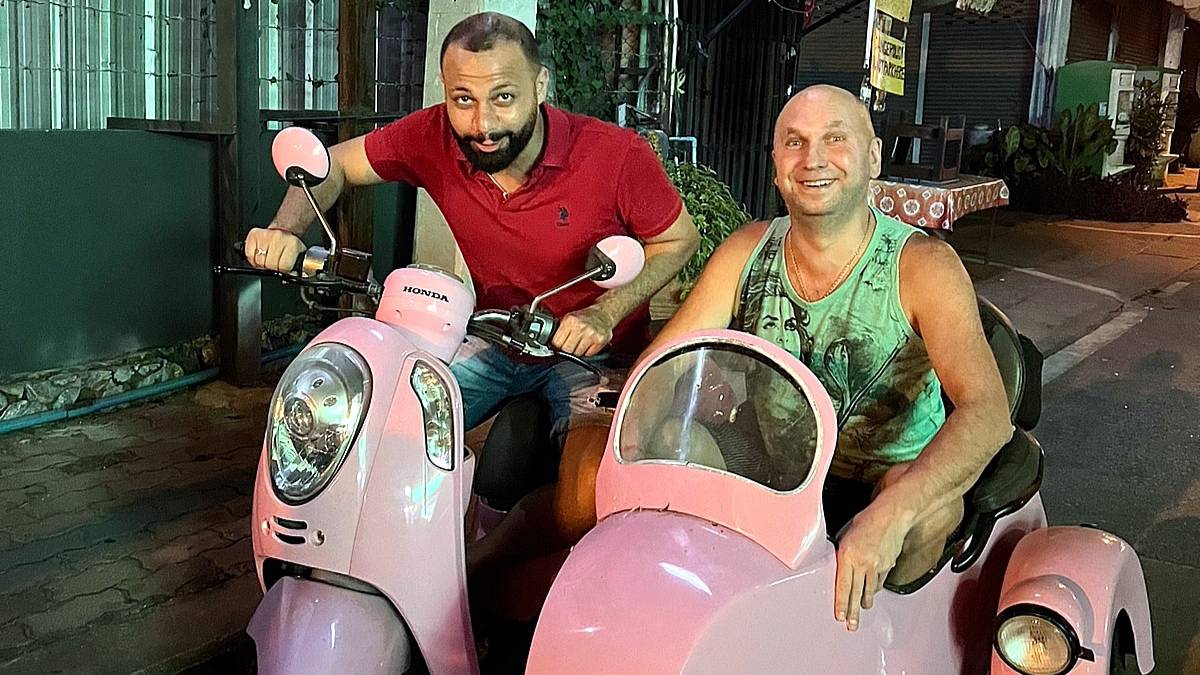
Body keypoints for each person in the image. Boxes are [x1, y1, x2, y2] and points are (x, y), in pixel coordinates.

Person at [561, 84, 1013, 632]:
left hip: (884, 476)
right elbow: (667, 360)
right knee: (660, 446)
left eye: (835, 139)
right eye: (795, 143)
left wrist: (890, 514)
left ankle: (879, 640)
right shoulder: (746, 250)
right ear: (777, 167)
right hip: (774, 473)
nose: (814, 159)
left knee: (928, 511)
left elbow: (988, 412)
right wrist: (634, 445)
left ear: (873, 157)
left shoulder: (923, 266)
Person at [244, 12, 697, 441]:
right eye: (464, 99)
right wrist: (285, 229)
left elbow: (678, 239)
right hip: (495, 338)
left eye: (504, 97)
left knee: (587, 475)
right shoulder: (434, 135)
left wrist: (605, 313)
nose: (483, 125)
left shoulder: (614, 154)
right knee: (387, 426)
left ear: (540, 86)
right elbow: (335, 165)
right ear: (445, 91)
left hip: (592, 355)